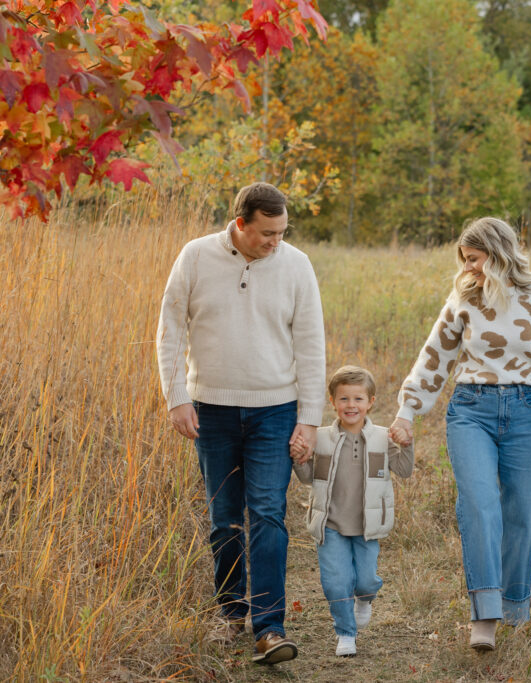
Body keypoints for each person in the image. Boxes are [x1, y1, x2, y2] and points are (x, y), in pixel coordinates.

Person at [389, 217, 531, 652]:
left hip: (528, 412)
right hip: (471, 409)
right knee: (479, 505)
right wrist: (407, 410)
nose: (469, 269)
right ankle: (486, 616)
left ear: (497, 254)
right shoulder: (464, 299)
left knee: (523, 513)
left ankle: (514, 608)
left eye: (474, 260)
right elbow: (435, 355)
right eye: (465, 261)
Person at [156, 182, 325, 665]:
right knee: (224, 519)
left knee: (269, 513)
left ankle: (270, 629)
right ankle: (230, 614)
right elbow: (169, 331)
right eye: (268, 233)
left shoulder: (296, 265)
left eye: (282, 232)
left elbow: (312, 344)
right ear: (241, 223)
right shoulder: (195, 256)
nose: (276, 242)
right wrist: (176, 398)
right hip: (211, 409)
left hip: (276, 410)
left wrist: (309, 420)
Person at [292, 365, 414, 657]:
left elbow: (405, 470)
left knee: (365, 580)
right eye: (344, 399)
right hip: (330, 524)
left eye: (358, 399)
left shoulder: (382, 438)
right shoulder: (320, 438)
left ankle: (365, 598)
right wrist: (299, 457)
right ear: (332, 401)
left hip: (367, 525)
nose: (351, 405)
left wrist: (406, 444)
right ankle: (345, 633)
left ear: (370, 402)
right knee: (336, 582)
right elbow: (308, 477)